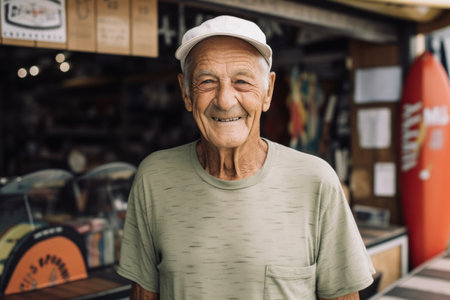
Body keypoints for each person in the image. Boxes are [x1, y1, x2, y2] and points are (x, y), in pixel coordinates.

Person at [118, 15, 375, 300]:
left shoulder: (315, 181)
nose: (225, 100)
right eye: (206, 81)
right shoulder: (154, 178)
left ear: (268, 92)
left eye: (242, 81)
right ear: (186, 93)